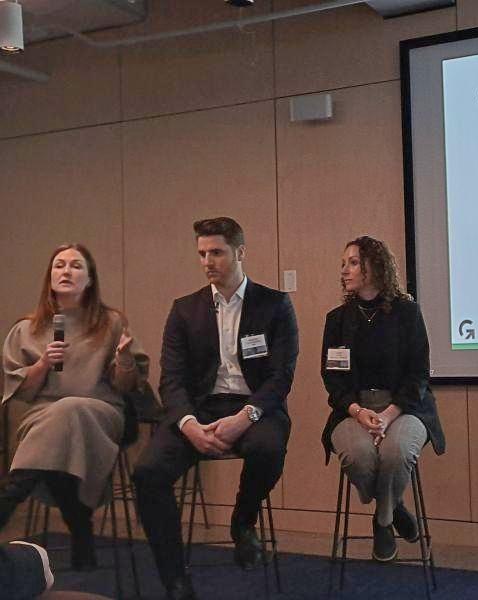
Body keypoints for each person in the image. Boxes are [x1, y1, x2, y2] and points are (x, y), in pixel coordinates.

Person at [133, 217, 299, 600]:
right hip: (198, 410)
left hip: (255, 407)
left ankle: (242, 521)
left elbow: (280, 377)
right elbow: (170, 381)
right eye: (202, 254)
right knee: (147, 472)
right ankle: (175, 578)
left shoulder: (274, 305)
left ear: (240, 252)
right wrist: (189, 424)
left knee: (267, 447)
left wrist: (245, 418)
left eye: (217, 252)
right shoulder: (184, 310)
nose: (208, 261)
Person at [1, 244, 148, 570]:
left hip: (101, 411)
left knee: (69, 412)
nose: (66, 271)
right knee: (59, 424)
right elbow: (20, 392)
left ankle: (9, 497)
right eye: (59, 265)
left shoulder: (111, 323)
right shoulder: (26, 328)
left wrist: (124, 359)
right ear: (49, 277)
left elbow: (127, 387)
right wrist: (41, 364)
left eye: (76, 266)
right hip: (42, 416)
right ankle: (81, 526)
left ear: (90, 278)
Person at [321, 236, 445, 562]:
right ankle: (393, 503)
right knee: (359, 456)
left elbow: (419, 373)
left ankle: (382, 519)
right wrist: (358, 411)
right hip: (353, 409)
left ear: (375, 266)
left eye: (353, 262)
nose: (344, 270)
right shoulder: (337, 319)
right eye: (343, 263)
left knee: (397, 452)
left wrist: (390, 414)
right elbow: (332, 378)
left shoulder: (407, 312)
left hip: (405, 406)